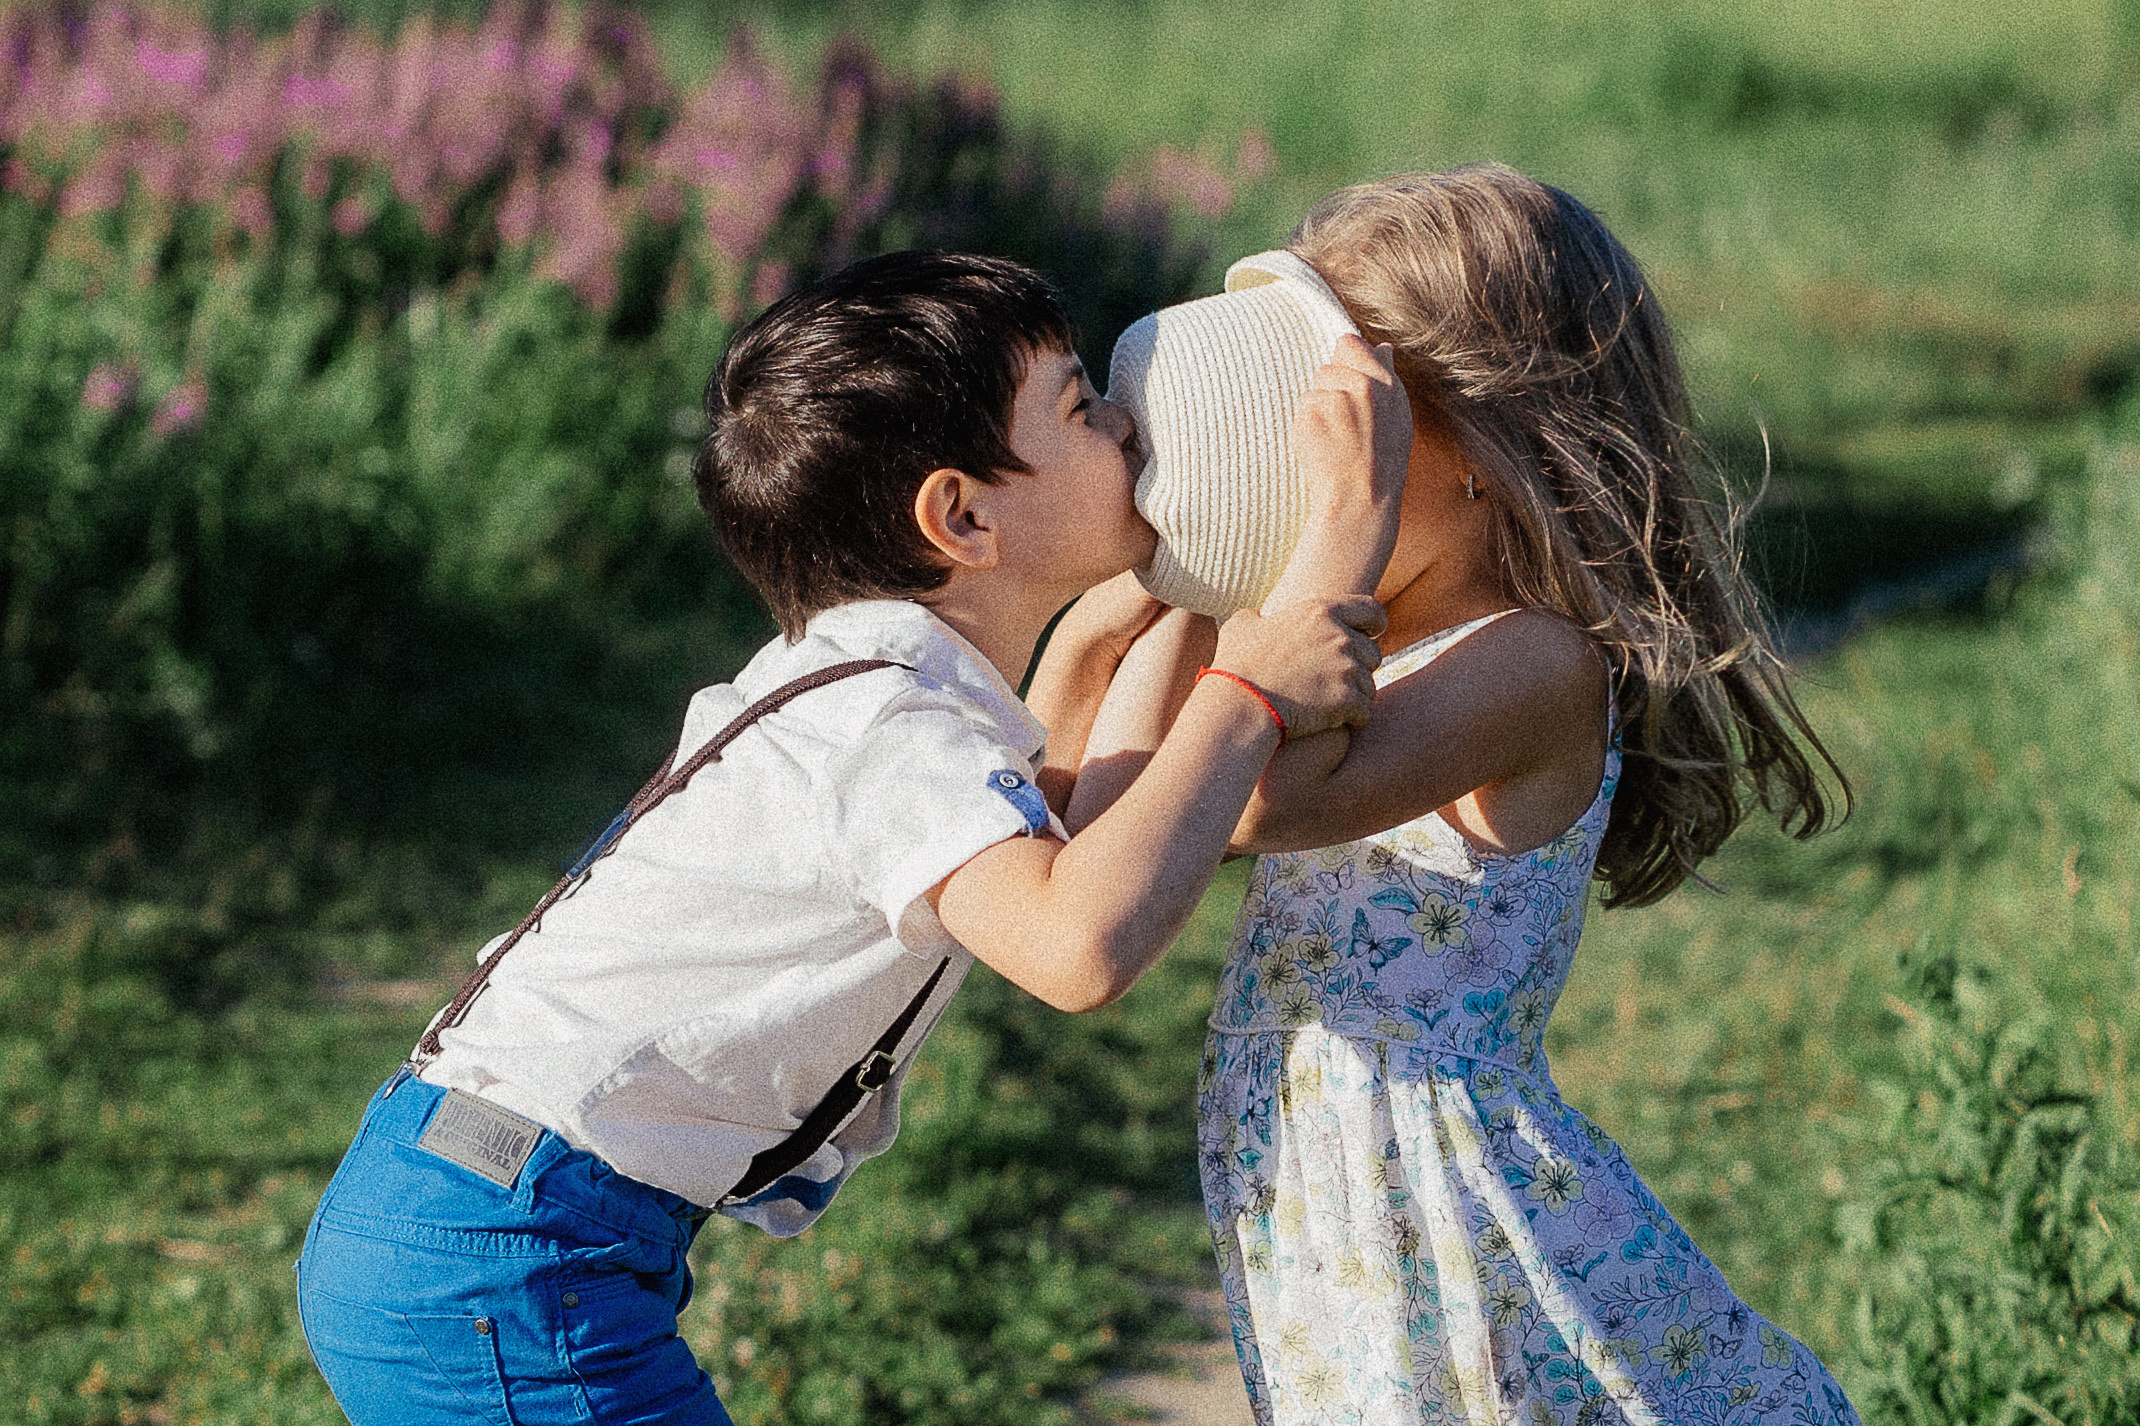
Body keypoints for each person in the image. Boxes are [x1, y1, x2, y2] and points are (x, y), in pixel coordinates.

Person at [294, 250, 1401, 1426]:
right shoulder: (886, 731)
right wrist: (1250, 690)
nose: (1125, 425)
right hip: (503, 1253)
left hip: (466, 1212)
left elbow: (1073, 836)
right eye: (1083, 407)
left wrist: (1210, 578)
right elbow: (1078, 943)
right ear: (961, 515)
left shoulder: (867, 686)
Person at [1061, 165, 1860, 1424]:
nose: (1306, 459)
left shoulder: (1533, 662)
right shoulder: (1326, 636)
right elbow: (1117, 815)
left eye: (1351, 430)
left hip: (1446, 1204)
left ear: (1485, 450)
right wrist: (1189, 562)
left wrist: (1337, 526)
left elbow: (1257, 798)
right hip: (1326, 1194)